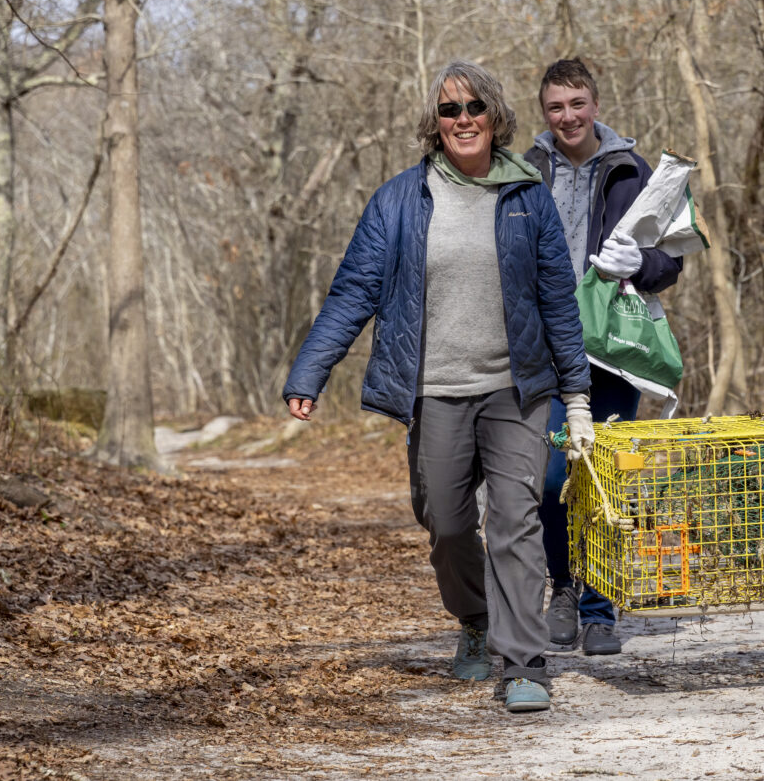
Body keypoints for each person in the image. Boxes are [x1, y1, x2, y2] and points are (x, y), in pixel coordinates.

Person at [281, 60, 596, 712]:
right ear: (435, 122)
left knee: (515, 520)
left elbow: (558, 300)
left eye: (474, 107)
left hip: (518, 389)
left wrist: (577, 395)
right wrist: (311, 369)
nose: (463, 119)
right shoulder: (399, 199)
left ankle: (524, 661)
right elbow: (354, 292)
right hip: (435, 390)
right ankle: (477, 623)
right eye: (450, 110)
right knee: (447, 523)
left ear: (495, 116)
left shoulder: (525, 193)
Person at [522, 58, 683, 656]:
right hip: (541, 346)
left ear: (595, 104)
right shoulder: (525, 170)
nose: (568, 117)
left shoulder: (633, 172)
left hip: (614, 351)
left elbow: (672, 261)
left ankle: (599, 608)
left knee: (604, 476)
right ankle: (562, 588)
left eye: (577, 104)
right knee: (551, 477)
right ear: (545, 112)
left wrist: (641, 266)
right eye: (556, 107)